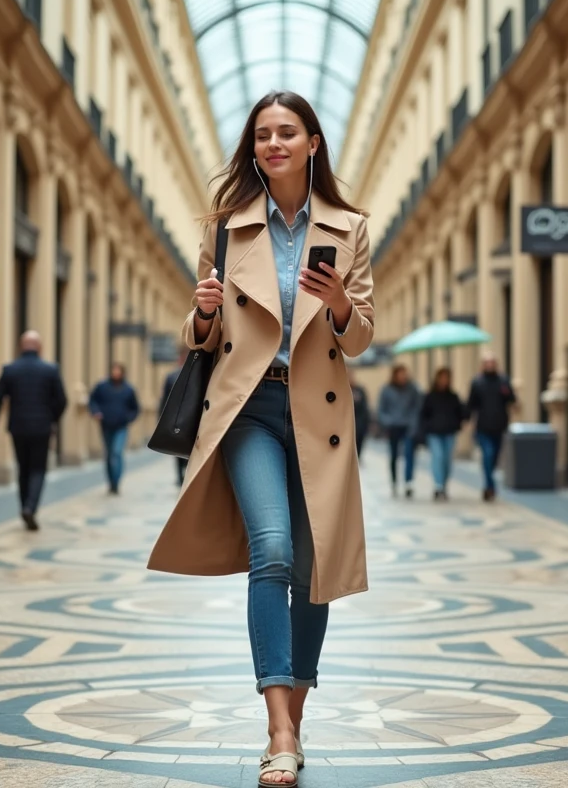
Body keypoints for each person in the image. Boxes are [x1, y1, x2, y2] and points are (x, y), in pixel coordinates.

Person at [146, 91, 375, 787]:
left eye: (287, 132)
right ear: (254, 150)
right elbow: (202, 337)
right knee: (271, 549)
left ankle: (293, 721)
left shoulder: (349, 226)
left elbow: (361, 335)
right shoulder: (225, 228)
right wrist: (202, 312)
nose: (274, 143)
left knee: (313, 571)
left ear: (312, 144)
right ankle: (277, 727)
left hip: (317, 414)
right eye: (263, 135)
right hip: (247, 409)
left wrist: (339, 305)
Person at [0, 330, 67, 531]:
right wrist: (52, 419)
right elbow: (63, 400)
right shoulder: (50, 370)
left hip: (18, 427)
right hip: (42, 427)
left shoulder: (10, 370)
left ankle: (24, 506)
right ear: (39, 347)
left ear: (21, 346)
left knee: (23, 469)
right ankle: (31, 506)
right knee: (38, 469)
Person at [467, 352, 517, 501]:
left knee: (494, 458)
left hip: (499, 426)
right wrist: (467, 420)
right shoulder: (477, 382)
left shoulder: (503, 381)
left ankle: (489, 483)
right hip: (483, 427)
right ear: (483, 365)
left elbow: (512, 399)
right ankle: (490, 486)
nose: (490, 365)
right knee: (488, 455)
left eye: (492, 362)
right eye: (487, 363)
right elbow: (471, 404)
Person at [88, 363, 139, 494]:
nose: (115, 373)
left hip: (121, 426)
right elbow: (93, 401)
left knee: (116, 453)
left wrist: (128, 418)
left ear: (122, 372)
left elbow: (135, 408)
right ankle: (111, 482)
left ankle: (116, 482)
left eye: (118, 370)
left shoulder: (128, 389)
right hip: (106, 425)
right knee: (109, 454)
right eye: (113, 370)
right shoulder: (102, 387)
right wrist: (96, 412)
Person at [420, 367, 465, 501]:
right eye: (442, 377)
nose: (444, 380)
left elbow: (461, 412)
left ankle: (444, 485)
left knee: (446, 460)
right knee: (437, 457)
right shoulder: (430, 396)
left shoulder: (453, 396)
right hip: (434, 432)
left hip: (449, 432)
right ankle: (438, 485)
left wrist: (458, 423)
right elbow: (423, 414)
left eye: (447, 378)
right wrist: (427, 427)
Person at [377, 364, 421, 498]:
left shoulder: (412, 389)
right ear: (395, 375)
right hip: (393, 427)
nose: (403, 377)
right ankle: (394, 482)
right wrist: (388, 422)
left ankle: (408, 482)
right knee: (394, 455)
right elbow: (381, 410)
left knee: (409, 454)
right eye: (400, 374)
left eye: (405, 374)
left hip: (408, 426)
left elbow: (417, 407)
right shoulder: (386, 390)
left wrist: (413, 423)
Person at [160, 351, 189, 486]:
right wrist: (162, 418)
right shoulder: (171, 377)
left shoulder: (199, 374)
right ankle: (179, 476)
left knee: (189, 449)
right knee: (177, 449)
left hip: (191, 418)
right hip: (176, 418)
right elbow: (165, 399)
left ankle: (187, 474)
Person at [350, 370, 370, 458]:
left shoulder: (360, 390)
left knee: (358, 449)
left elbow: (365, 408)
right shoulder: (338, 391)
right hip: (346, 425)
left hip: (359, 424)